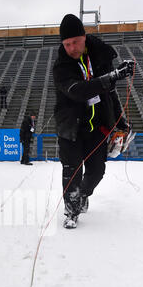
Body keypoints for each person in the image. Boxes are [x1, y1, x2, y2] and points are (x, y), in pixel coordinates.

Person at [53, 14, 134, 229]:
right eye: (66, 44)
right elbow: (78, 91)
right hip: (71, 128)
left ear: (84, 37)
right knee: (72, 172)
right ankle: (71, 211)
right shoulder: (61, 68)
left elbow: (111, 94)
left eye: (75, 42)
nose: (71, 48)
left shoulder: (100, 57)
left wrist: (120, 122)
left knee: (97, 171)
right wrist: (112, 77)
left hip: (96, 129)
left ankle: (82, 196)